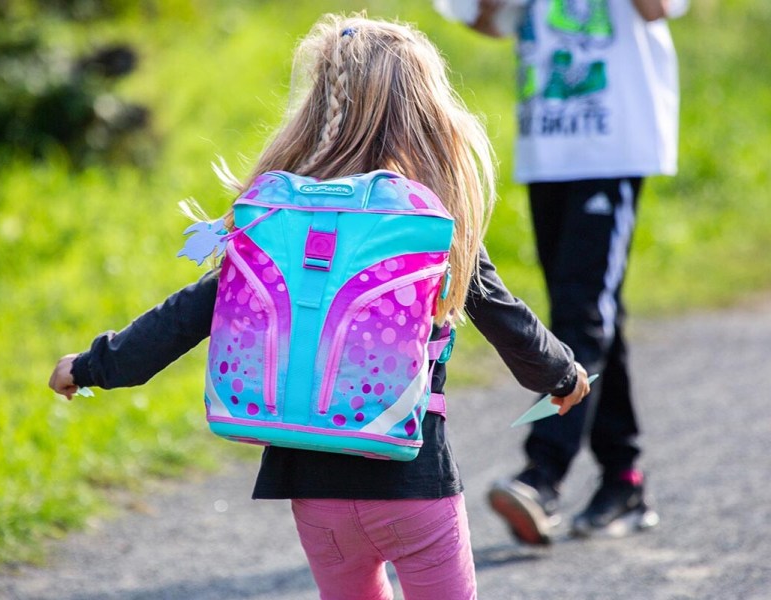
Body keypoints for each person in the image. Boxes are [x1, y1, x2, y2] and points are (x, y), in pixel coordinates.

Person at [48, 14, 591, 600]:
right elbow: (506, 320)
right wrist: (563, 376)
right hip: (416, 485)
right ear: (426, 115)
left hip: (314, 491)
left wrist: (92, 365)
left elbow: (186, 315)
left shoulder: (275, 219)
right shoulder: (427, 227)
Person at [462, 0, 686, 544]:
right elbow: (484, 21)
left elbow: (658, 9)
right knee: (590, 312)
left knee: (582, 310)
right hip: (547, 147)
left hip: (613, 147)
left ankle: (544, 475)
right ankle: (623, 477)